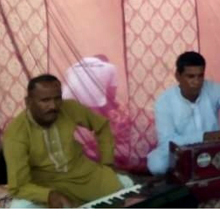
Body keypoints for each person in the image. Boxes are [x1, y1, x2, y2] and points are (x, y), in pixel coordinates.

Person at [2, 74, 133, 208]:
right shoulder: (16, 134)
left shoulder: (69, 108)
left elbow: (102, 126)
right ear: (28, 102)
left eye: (57, 98)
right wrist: (48, 195)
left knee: (127, 186)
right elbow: (18, 186)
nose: (53, 106)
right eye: (45, 100)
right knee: (20, 208)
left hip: (85, 176)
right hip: (47, 184)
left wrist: (107, 162)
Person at [146, 51, 220, 175]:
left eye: (200, 76)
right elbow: (167, 141)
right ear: (178, 76)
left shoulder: (215, 89)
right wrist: (203, 137)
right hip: (183, 150)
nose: (197, 82)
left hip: (215, 145)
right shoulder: (165, 101)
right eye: (190, 76)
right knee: (157, 165)